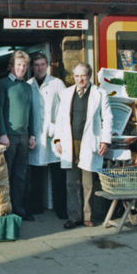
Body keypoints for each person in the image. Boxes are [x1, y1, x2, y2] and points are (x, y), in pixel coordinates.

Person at [53, 62, 113, 229]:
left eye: (83, 76)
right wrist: (57, 139)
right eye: (77, 76)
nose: (80, 79)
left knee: (88, 182)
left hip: (89, 142)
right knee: (72, 182)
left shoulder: (100, 94)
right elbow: (60, 118)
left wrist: (105, 140)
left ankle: (88, 216)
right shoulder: (66, 93)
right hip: (69, 142)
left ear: (90, 76)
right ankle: (74, 216)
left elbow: (107, 118)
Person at [26, 52, 67, 219]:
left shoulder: (57, 83)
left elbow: (65, 108)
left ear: (47, 65)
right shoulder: (28, 85)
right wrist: (30, 134)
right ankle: (36, 207)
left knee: (58, 174)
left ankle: (61, 210)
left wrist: (59, 130)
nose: (39, 68)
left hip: (54, 135)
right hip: (36, 134)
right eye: (36, 65)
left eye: (42, 64)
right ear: (31, 67)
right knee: (35, 174)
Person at [0, 50, 37, 221]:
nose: (22, 68)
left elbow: (31, 112)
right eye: (18, 65)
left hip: (24, 136)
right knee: (6, 174)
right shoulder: (3, 84)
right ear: (11, 66)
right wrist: (3, 133)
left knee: (21, 175)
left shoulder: (27, 87)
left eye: (24, 65)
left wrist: (32, 135)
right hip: (9, 137)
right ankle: (6, 210)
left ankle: (19, 209)